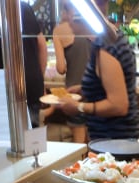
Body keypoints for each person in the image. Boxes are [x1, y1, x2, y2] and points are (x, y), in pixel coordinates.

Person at [59, 0, 139, 141]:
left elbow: (119, 105)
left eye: (68, 9)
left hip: (116, 142)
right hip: (111, 141)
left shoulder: (107, 46)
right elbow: (109, 86)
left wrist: (79, 107)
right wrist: (85, 89)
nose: (64, 17)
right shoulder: (105, 39)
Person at [52, 3, 92, 142]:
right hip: (94, 91)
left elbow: (61, 68)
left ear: (64, 10)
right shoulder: (92, 27)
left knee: (79, 142)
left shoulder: (58, 31)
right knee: (94, 142)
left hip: (74, 92)